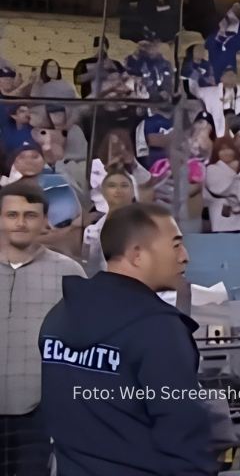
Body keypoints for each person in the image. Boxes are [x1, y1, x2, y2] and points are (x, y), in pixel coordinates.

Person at [39, 203, 216, 476]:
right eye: (176, 245)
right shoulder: (158, 328)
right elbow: (183, 426)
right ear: (137, 255)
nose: (185, 257)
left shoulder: (59, 315)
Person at [0, 182, 85, 476]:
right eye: (12, 215)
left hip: (38, 414)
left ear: (45, 221)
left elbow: (82, 344)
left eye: (30, 215)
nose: (21, 223)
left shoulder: (69, 273)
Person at [81, 166, 134, 276]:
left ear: (133, 192)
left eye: (124, 185)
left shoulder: (147, 226)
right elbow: (89, 268)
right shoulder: (92, 232)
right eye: (112, 186)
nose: (118, 190)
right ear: (103, 192)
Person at [203, 136, 240, 233]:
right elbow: (218, 188)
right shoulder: (211, 169)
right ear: (216, 152)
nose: (227, 152)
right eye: (222, 150)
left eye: (229, 149)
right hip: (223, 216)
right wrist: (239, 179)